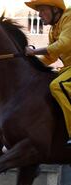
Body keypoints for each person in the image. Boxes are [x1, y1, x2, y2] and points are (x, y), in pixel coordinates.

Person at [24, 0, 71, 146]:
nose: (39, 15)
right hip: (67, 68)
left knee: (57, 85)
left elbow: (64, 44)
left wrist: (34, 51)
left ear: (55, 10)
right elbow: (51, 56)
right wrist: (29, 68)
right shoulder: (53, 29)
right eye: (38, 11)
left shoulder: (69, 17)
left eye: (43, 10)